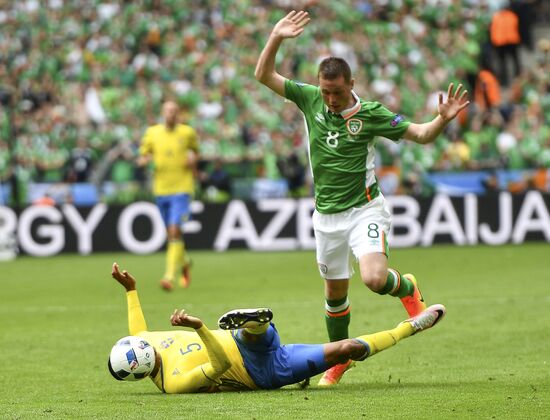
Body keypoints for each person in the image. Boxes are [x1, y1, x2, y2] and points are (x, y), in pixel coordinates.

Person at [254, 10, 469, 386]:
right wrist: (275, 36)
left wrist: (443, 121)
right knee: (335, 295)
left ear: (352, 83)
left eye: (336, 92)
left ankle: (407, 286)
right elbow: (263, 76)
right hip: (326, 218)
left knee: (372, 278)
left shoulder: (370, 114)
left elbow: (420, 134)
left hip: (364, 210)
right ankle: (339, 360)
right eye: (325, 91)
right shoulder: (310, 100)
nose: (330, 99)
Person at [108, 263, 446, 393]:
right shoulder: (175, 383)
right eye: (145, 351)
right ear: (144, 369)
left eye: (143, 344)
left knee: (250, 330)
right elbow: (221, 366)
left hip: (248, 342)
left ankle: (254, 323)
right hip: (264, 370)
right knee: (347, 350)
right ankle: (410, 327)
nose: (147, 344)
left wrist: (131, 290)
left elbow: (138, 330)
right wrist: (199, 328)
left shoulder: (142, 343)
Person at [137, 101, 199, 290]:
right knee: (172, 235)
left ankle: (169, 276)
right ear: (162, 113)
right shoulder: (152, 133)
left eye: (174, 111)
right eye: (168, 111)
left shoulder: (187, 132)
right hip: (161, 189)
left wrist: (192, 160)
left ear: (178, 113)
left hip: (182, 188)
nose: (171, 114)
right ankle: (185, 261)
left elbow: (196, 153)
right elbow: (143, 156)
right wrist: (145, 161)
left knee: (173, 230)